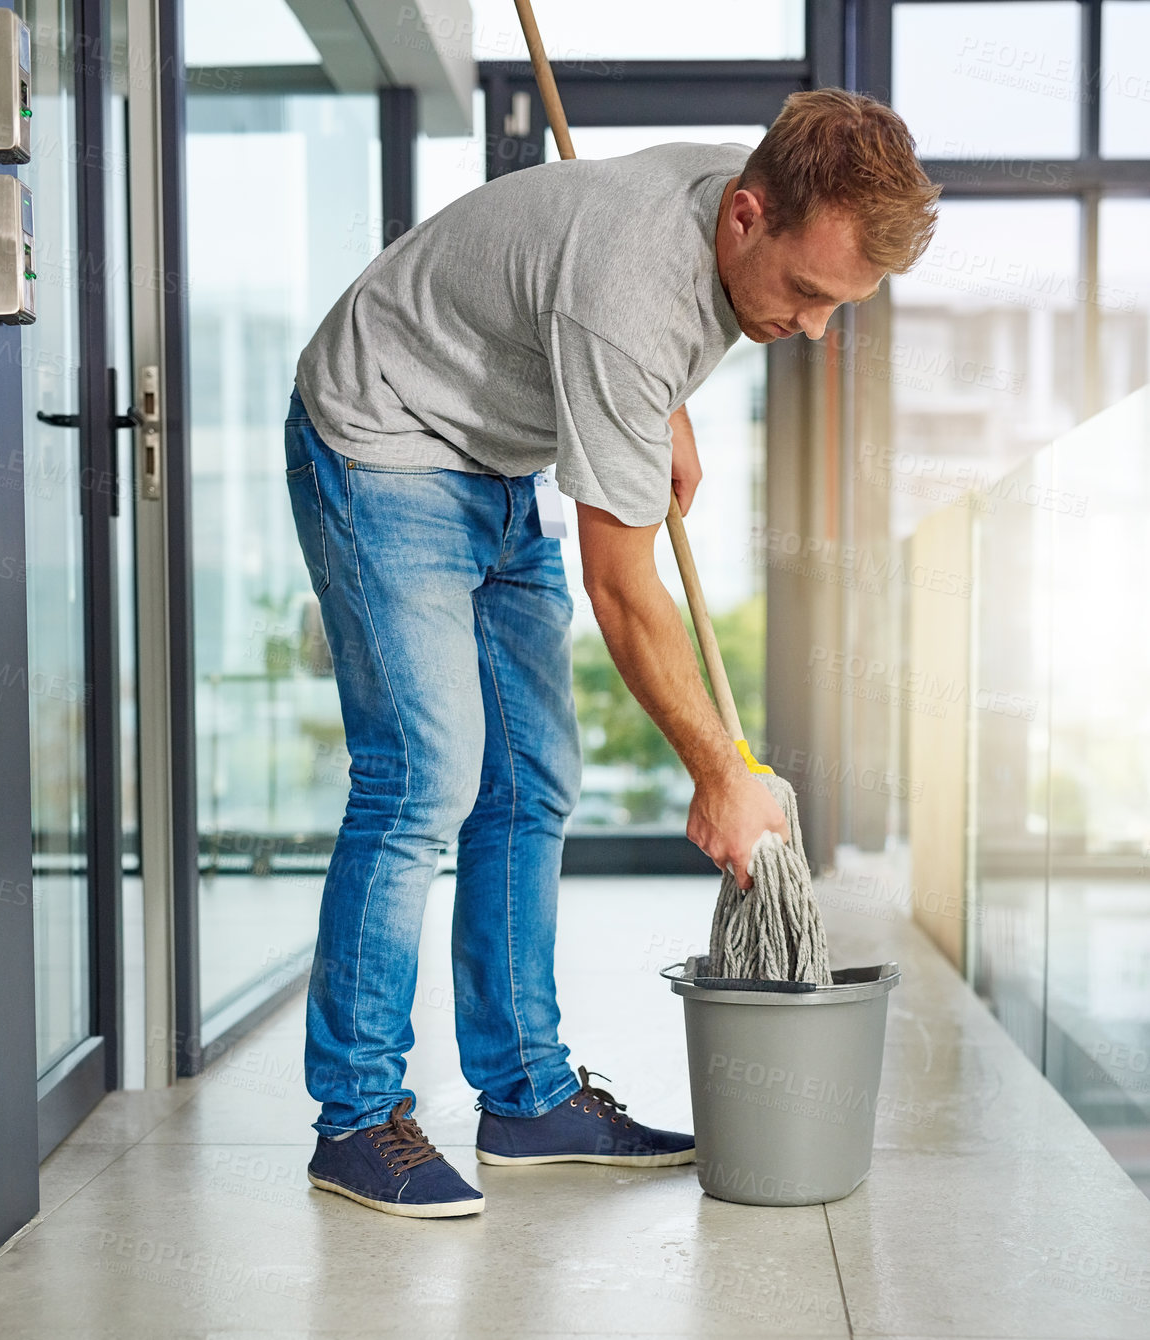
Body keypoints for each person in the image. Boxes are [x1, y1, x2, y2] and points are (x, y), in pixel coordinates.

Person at [285, 87, 938, 1220]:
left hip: (493, 455)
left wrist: (663, 406)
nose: (817, 327)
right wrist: (722, 772)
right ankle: (353, 1119)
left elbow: (649, 317)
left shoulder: (752, 188)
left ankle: (527, 1096)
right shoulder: (628, 297)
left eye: (844, 305)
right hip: (383, 436)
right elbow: (624, 592)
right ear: (746, 217)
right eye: (807, 294)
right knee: (422, 779)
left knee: (532, 778)